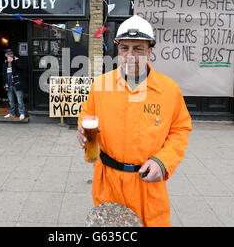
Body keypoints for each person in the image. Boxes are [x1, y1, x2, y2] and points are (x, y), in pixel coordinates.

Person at [76, 15, 192, 227]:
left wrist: (163, 161)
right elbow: (87, 114)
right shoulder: (101, 85)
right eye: (124, 48)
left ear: (150, 50)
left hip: (146, 185)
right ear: (118, 50)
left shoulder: (168, 90)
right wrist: (82, 129)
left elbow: (180, 129)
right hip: (108, 182)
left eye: (138, 49)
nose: (130, 56)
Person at [2, 48, 27, 120]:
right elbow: (4, 74)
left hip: (17, 84)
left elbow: (22, 67)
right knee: (11, 100)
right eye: (8, 54)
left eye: (11, 54)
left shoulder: (17, 60)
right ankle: (12, 113)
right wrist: (4, 84)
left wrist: (13, 62)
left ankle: (22, 113)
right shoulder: (5, 62)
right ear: (6, 55)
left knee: (19, 100)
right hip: (8, 84)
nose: (10, 55)